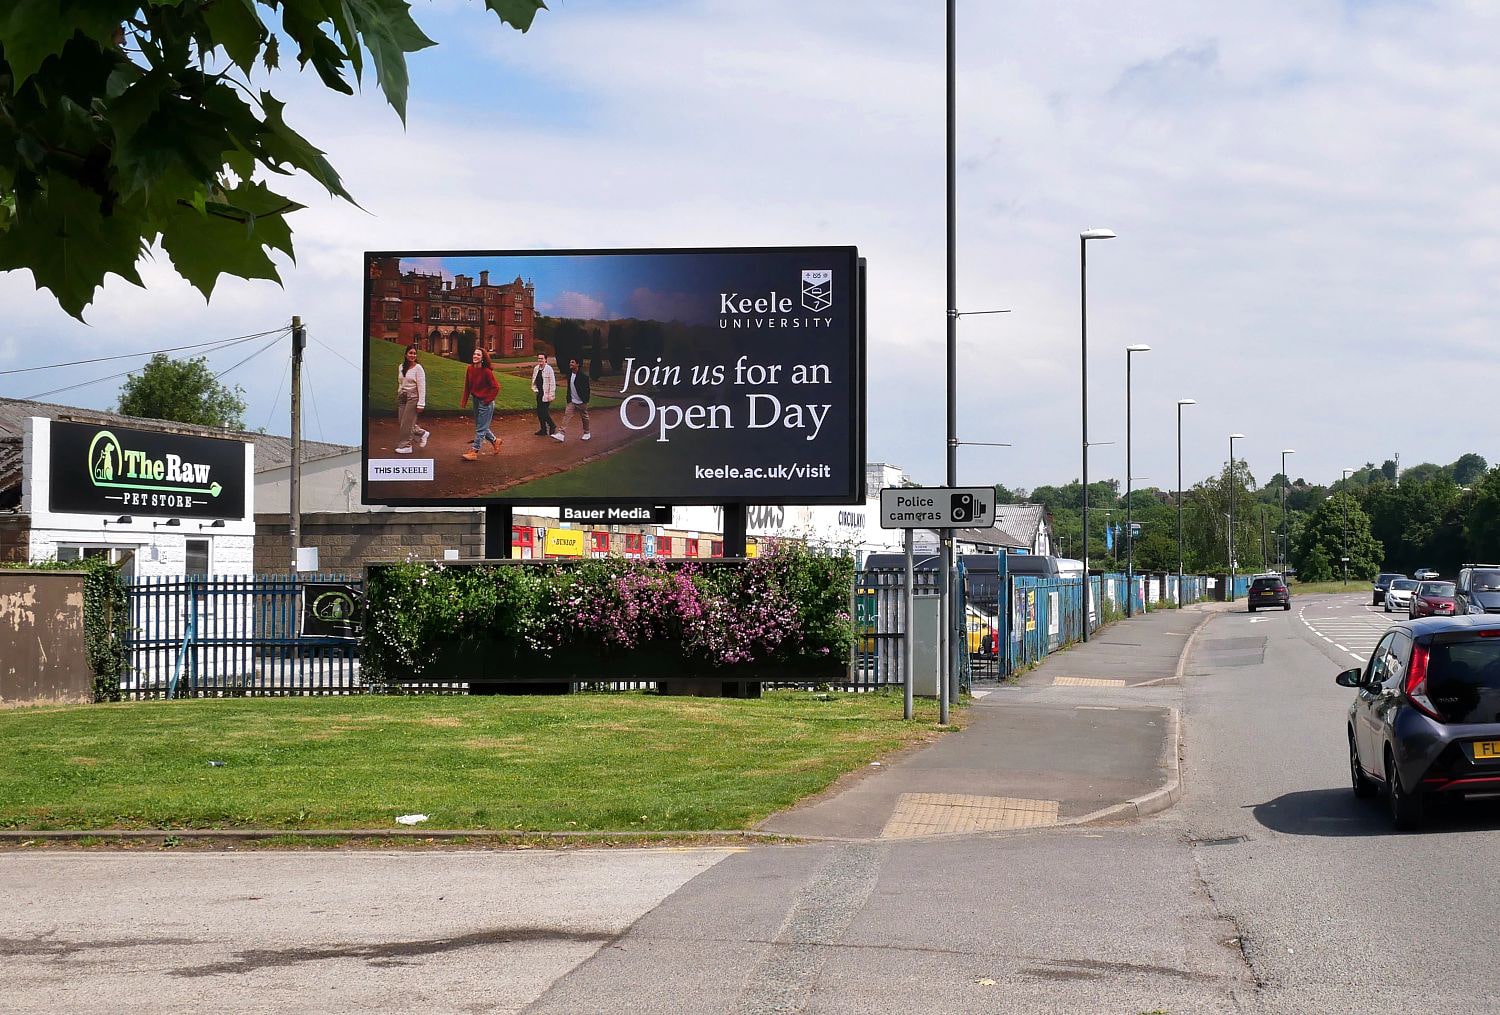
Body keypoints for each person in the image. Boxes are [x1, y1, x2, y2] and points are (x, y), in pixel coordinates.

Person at [460, 346, 501, 461]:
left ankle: (474, 451)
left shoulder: (487, 372)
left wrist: (487, 400)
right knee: (481, 426)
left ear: (483, 358)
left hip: (485, 402)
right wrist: (464, 400)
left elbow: (496, 387)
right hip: (476, 400)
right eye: (474, 354)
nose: (475, 356)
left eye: (478, 355)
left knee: (480, 429)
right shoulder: (470, 369)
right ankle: (495, 440)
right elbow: (467, 386)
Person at [394, 344, 428, 454]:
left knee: (406, 423)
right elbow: (400, 382)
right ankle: (421, 433)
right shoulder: (401, 367)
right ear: (406, 354)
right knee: (402, 422)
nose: (412, 355)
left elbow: (422, 386)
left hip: (413, 397)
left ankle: (406, 446)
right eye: (410, 353)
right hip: (402, 396)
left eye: (414, 353)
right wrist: (399, 391)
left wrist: (421, 403)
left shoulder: (418, 368)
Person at [555, 356, 591, 442]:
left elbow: (587, 390)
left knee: (584, 417)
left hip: (581, 401)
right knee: (567, 415)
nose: (570, 364)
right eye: (570, 362)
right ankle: (561, 434)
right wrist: (569, 398)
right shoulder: (569, 374)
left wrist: (585, 400)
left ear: (577, 364)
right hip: (572, 401)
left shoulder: (583, 377)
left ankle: (587, 433)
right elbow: (569, 388)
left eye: (572, 362)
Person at [530, 352, 557, 436]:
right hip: (539, 393)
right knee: (539, 412)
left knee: (544, 412)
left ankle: (552, 425)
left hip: (547, 394)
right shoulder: (536, 368)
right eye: (539, 358)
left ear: (545, 359)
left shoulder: (549, 369)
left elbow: (552, 383)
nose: (540, 360)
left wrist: (551, 394)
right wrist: (535, 389)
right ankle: (543, 429)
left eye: (542, 358)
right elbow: (534, 380)